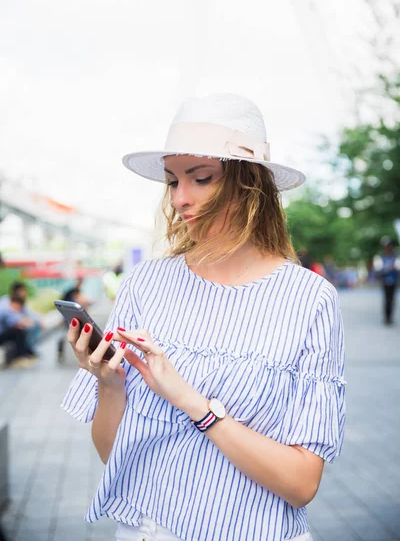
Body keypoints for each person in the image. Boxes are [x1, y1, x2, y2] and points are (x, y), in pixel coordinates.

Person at [61, 94, 346, 541]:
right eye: (173, 181)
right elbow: (112, 452)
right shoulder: (145, 284)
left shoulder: (310, 299)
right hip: (145, 532)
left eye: (201, 178)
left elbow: (301, 484)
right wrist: (109, 381)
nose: (180, 198)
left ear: (249, 184)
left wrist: (195, 405)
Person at [0, 281, 45, 354]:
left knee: (27, 328)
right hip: (2, 333)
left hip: (7, 330)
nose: (25, 294)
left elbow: (28, 313)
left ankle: (28, 351)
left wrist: (38, 319)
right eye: (23, 291)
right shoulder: (5, 305)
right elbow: (15, 320)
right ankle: (24, 354)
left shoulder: (17, 302)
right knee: (19, 332)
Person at [0, 294, 37, 367]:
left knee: (20, 331)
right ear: (15, 304)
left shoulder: (8, 308)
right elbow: (17, 322)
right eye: (19, 307)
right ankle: (22, 356)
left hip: (3, 334)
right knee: (18, 332)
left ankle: (27, 353)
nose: (19, 309)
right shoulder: (5, 309)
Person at [374, 237, 399, 325]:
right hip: (385, 281)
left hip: (393, 281)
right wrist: (388, 269)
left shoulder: (396, 257)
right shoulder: (380, 257)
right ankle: (386, 317)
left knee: (392, 299)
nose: (387, 248)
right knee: (386, 299)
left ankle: (390, 316)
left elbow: (398, 268)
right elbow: (378, 270)